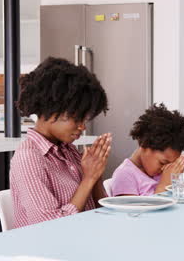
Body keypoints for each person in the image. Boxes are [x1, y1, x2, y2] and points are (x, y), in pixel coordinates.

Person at [10, 57, 111, 228]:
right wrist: (88, 179)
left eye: (85, 119)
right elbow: (50, 228)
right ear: (51, 107)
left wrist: (96, 176)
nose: (82, 127)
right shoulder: (29, 158)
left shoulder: (68, 150)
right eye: (77, 118)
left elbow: (101, 211)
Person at [110, 103, 184, 196]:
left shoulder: (161, 173)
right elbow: (132, 210)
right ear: (144, 144)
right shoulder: (125, 176)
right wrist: (164, 185)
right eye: (162, 163)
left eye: (171, 165)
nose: (165, 169)